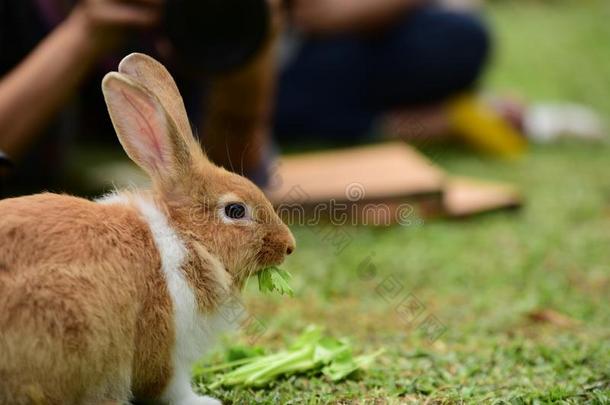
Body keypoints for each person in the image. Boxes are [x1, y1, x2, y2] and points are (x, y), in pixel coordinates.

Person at [0, 0, 491, 196]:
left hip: (195, 64)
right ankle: (375, 123)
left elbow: (238, 177)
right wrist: (88, 29)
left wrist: (257, 31)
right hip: (84, 71)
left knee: (452, 39)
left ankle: (369, 122)